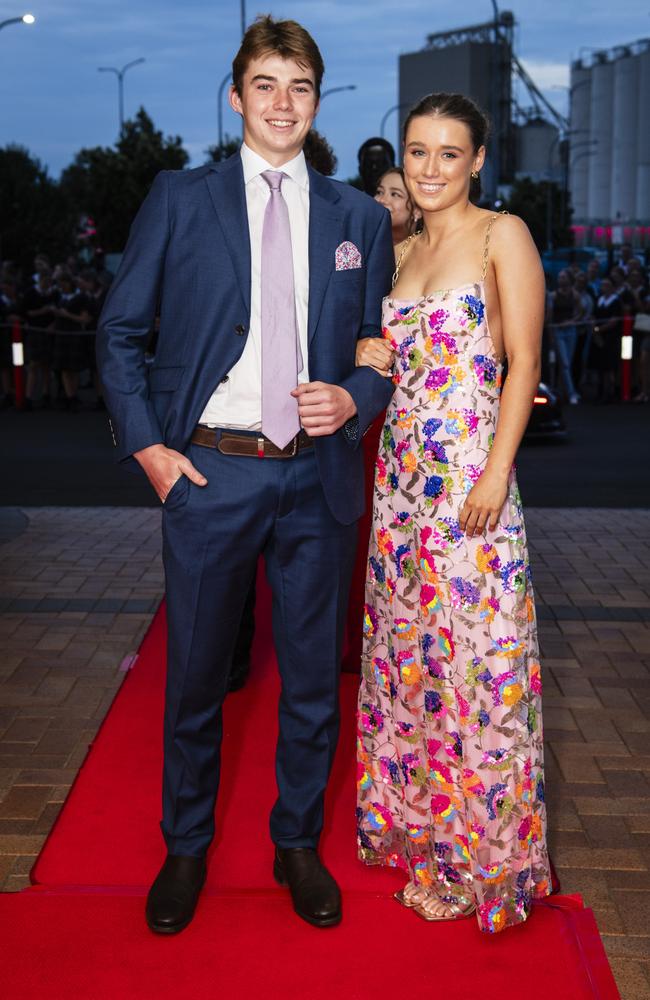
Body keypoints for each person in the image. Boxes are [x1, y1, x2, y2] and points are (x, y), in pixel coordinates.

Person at [96, 15, 394, 935]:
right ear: (236, 97)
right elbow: (118, 334)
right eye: (265, 84)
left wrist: (353, 397)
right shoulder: (181, 198)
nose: (281, 102)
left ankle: (295, 844)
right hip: (211, 475)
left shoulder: (359, 217)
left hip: (317, 483)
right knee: (193, 680)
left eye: (299, 87)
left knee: (311, 682)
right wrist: (152, 452)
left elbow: (380, 353)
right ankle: (185, 848)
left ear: (316, 102)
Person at [355, 92, 550, 932]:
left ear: (477, 160)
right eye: (417, 152)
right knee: (416, 668)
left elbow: (525, 362)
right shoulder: (396, 253)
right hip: (398, 486)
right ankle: (426, 836)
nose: (429, 169)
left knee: (482, 674)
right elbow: (390, 363)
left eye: (448, 153)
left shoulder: (501, 233)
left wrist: (495, 475)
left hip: (471, 486)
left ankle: (484, 864)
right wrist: (366, 350)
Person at [548, 269, 582, 404]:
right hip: (558, 330)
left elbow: (580, 313)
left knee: (567, 363)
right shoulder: (554, 295)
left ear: (569, 279)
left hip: (571, 330)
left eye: (563, 277)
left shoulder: (575, 294)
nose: (561, 279)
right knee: (565, 363)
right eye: (560, 277)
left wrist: (572, 321)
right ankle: (571, 393)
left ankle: (563, 391)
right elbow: (550, 315)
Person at [374, 167, 421, 245]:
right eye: (380, 192)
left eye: (395, 194)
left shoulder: (429, 253)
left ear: (417, 210)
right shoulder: (362, 244)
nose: (382, 200)